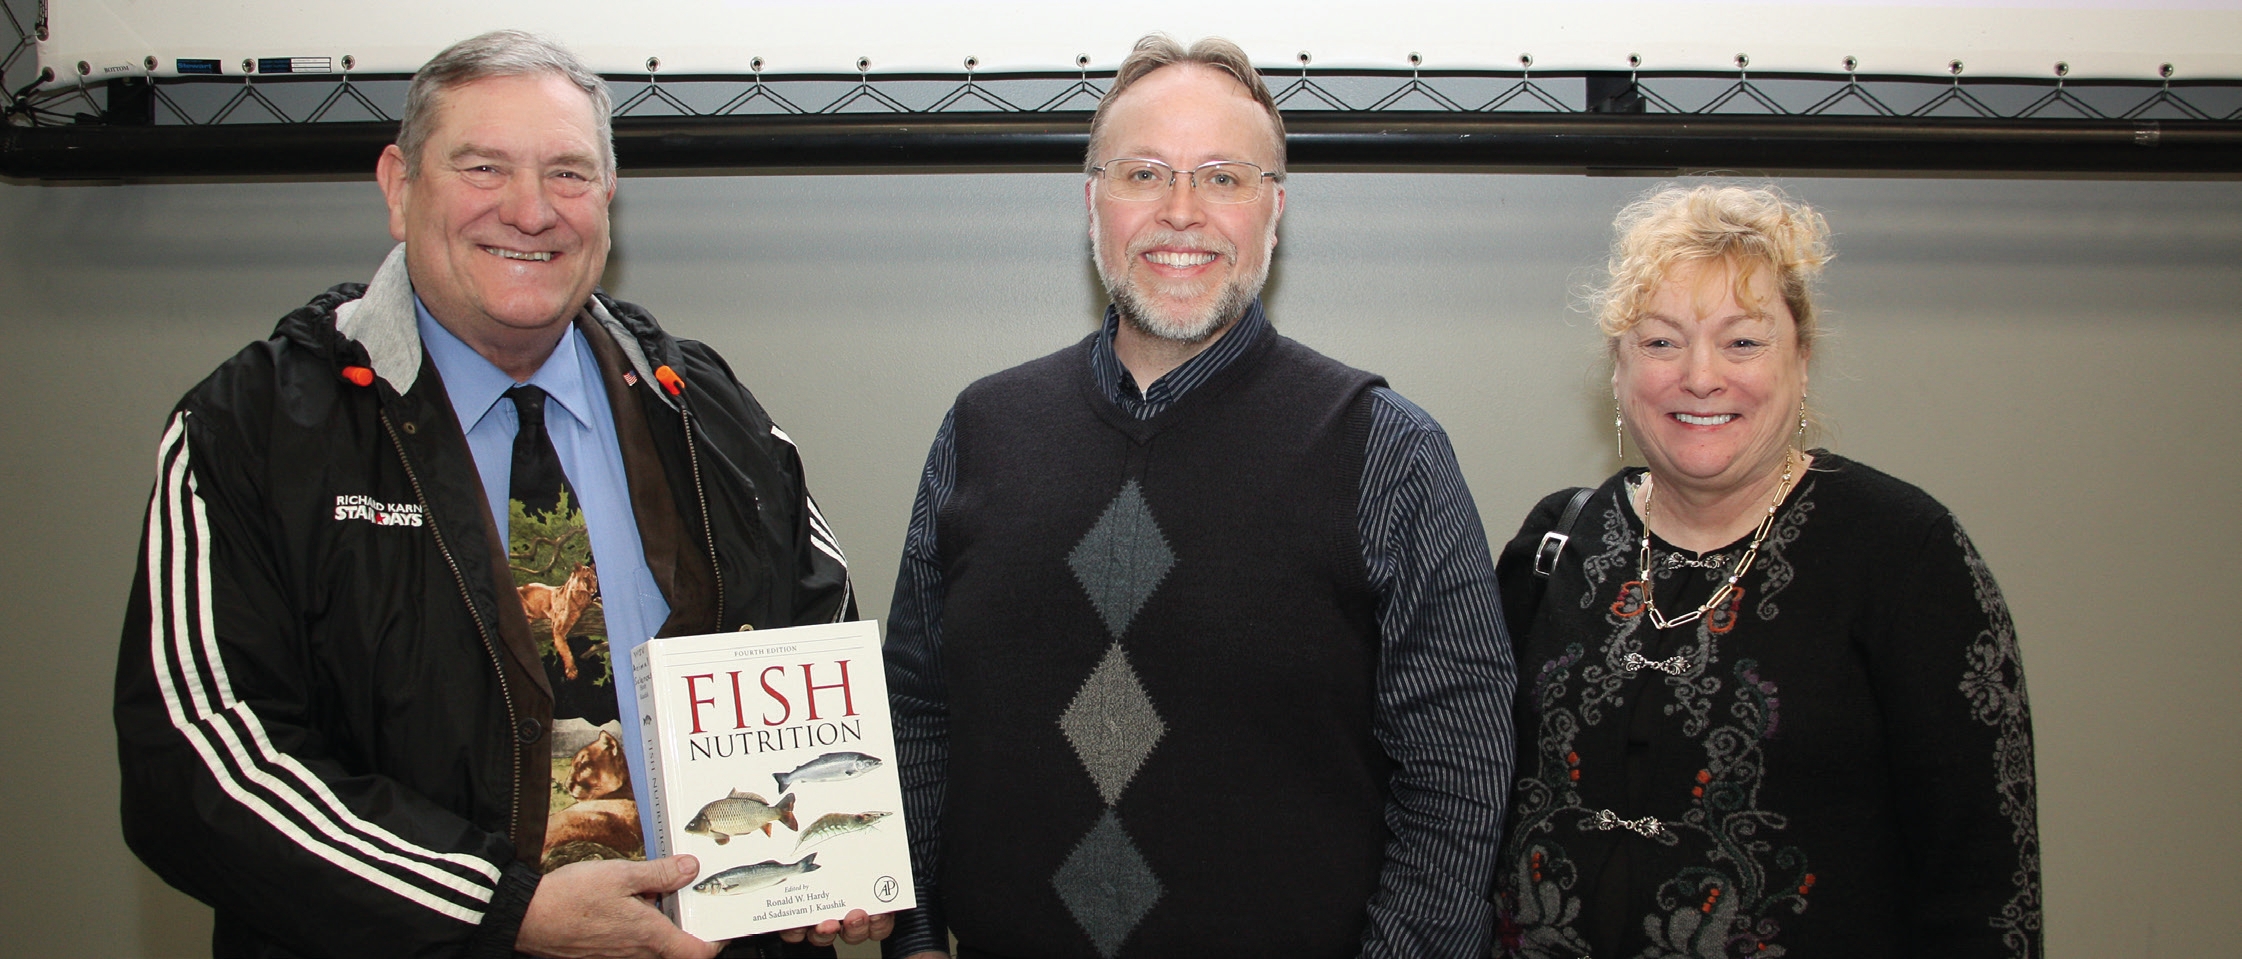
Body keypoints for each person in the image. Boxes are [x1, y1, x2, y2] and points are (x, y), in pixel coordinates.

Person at [112, 30, 886, 958]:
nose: (530, 211)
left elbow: (820, 639)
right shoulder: (253, 430)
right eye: (484, 167)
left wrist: (835, 852)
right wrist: (496, 908)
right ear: (400, 187)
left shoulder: (708, 411)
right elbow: (200, 768)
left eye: (567, 174)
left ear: (609, 200)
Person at [882, 34, 1516, 959]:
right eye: (1144, 173)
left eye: (1224, 178)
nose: (1182, 213)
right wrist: (910, 936)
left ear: (1275, 210)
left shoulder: (1385, 448)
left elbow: (1459, 772)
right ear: (1091, 201)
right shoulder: (981, 428)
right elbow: (917, 710)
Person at [1492, 184, 2041, 957]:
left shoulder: (1908, 556)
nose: (1701, 375)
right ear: (1619, 369)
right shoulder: (1556, 541)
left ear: (1802, 360)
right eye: (1660, 342)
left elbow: (1986, 890)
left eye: (1742, 342)